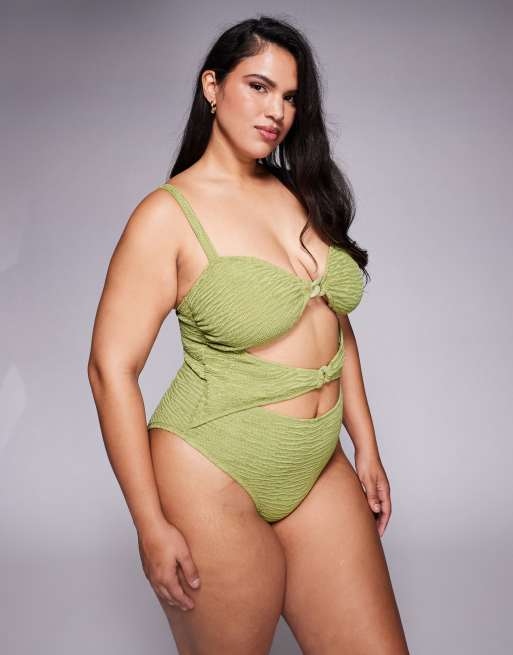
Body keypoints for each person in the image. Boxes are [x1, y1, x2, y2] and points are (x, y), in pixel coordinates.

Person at [87, 15, 410, 655]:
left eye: (289, 97)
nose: (276, 111)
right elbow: (109, 369)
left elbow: (334, 324)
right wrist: (150, 524)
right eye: (258, 87)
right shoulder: (166, 215)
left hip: (317, 463)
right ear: (213, 86)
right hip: (211, 470)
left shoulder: (298, 193)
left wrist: (366, 445)